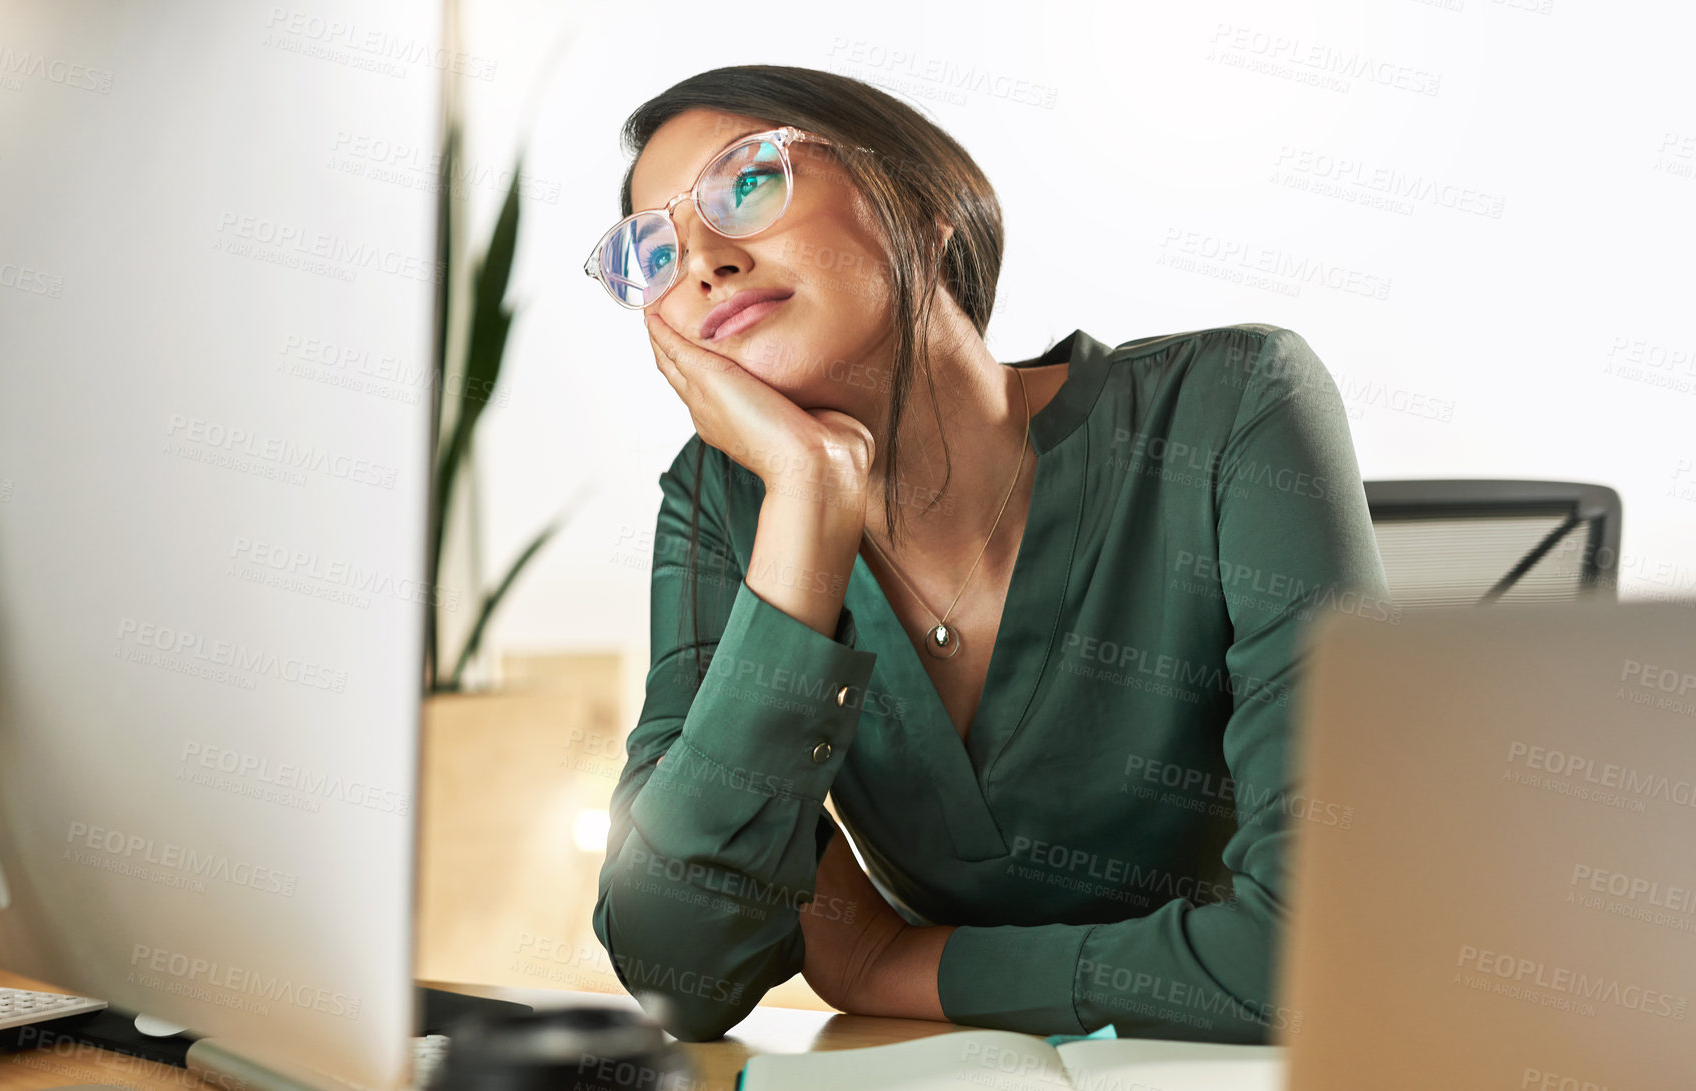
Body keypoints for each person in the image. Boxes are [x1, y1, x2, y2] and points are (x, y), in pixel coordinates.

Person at [584, 64, 1390, 1044]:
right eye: (652, 251)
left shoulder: (1232, 406)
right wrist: (805, 501)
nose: (701, 259)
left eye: (747, 183)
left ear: (924, 207)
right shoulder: (722, 499)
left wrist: (894, 964)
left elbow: (1326, 954)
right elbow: (682, 972)